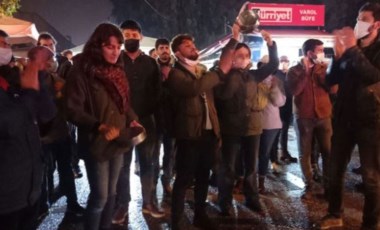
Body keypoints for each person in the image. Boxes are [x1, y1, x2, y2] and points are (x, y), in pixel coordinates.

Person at [167, 23, 240, 230]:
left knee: (203, 177)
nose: (193, 47)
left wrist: (233, 42)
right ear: (177, 52)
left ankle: (200, 214)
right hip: (189, 135)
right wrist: (218, 73)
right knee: (183, 179)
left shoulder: (201, 70)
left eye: (193, 44)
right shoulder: (175, 74)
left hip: (208, 134)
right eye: (187, 45)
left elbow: (215, 89)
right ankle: (177, 220)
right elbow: (193, 89)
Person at [65, 23, 136, 230]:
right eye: (110, 46)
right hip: (97, 142)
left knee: (112, 193)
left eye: (118, 46)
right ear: (98, 46)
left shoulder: (118, 70)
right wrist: (99, 126)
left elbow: (124, 103)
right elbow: (72, 110)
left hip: (119, 138)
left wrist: (132, 119)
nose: (115, 52)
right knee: (100, 197)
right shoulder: (81, 72)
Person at [318, 2, 380, 229]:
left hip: (371, 120)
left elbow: (373, 75)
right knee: (335, 171)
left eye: (364, 19)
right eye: (358, 18)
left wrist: (352, 50)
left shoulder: (374, 50)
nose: (358, 23)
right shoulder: (351, 50)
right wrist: (337, 55)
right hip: (344, 119)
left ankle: (371, 222)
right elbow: (331, 81)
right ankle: (335, 213)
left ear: (377, 24)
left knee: (371, 178)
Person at [215, 33, 279, 217]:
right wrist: (233, 72)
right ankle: (224, 201)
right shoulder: (224, 76)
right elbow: (223, 96)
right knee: (228, 167)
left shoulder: (253, 75)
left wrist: (270, 44)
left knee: (252, 166)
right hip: (231, 128)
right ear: (232, 58)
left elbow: (273, 65)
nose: (243, 59)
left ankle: (252, 199)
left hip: (252, 128)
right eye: (239, 55)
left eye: (246, 55)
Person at [0, 46, 57, 230]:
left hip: (27, 190)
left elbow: (46, 115)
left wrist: (37, 72)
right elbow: (12, 123)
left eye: (7, 44)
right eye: (1, 44)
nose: (7, 49)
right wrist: (31, 89)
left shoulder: (11, 80)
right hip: (6, 198)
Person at [113, 19, 163, 224]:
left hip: (146, 122)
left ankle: (149, 202)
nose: (131, 38)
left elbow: (157, 93)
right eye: (126, 35)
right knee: (122, 166)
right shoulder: (116, 61)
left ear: (141, 37)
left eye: (134, 35)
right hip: (123, 123)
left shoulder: (151, 63)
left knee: (148, 163)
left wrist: (144, 118)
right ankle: (122, 204)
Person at [286, 39, 333, 201]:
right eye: (319, 50)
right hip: (304, 117)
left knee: (327, 152)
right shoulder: (294, 71)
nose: (322, 52)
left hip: (324, 115)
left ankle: (328, 187)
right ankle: (309, 186)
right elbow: (295, 90)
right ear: (309, 53)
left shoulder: (324, 69)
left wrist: (322, 75)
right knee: (304, 153)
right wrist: (306, 72)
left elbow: (333, 89)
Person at [257, 62, 286, 194]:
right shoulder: (254, 80)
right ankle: (247, 180)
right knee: (252, 153)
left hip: (270, 124)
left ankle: (260, 182)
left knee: (264, 153)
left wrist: (274, 87)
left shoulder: (276, 81)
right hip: (254, 122)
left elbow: (280, 102)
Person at [154, 38, 176, 198]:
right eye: (161, 48)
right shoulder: (151, 68)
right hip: (155, 119)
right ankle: (152, 183)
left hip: (172, 119)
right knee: (153, 154)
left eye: (166, 47)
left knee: (170, 154)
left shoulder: (176, 68)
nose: (164, 50)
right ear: (156, 50)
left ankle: (166, 181)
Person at [272, 55, 298, 163]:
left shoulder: (289, 74)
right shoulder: (276, 74)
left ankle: (284, 153)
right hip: (277, 108)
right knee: (276, 134)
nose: (284, 63)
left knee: (285, 132)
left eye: (286, 61)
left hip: (287, 108)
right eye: (282, 61)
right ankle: (274, 157)